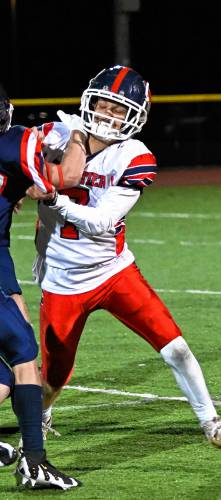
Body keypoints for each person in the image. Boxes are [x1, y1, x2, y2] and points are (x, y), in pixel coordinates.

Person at [25, 65, 221, 457]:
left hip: (113, 271)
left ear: (134, 116)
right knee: (55, 376)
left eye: (119, 110)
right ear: (90, 100)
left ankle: (212, 423)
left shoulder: (134, 155)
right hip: (63, 278)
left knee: (176, 347)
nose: (109, 115)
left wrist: (53, 198)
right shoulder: (55, 135)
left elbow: (101, 221)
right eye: (104, 105)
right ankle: (42, 417)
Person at [0, 93, 81, 489]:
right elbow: (61, 178)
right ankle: (34, 461)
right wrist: (80, 137)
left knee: (6, 370)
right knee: (24, 353)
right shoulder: (15, 142)